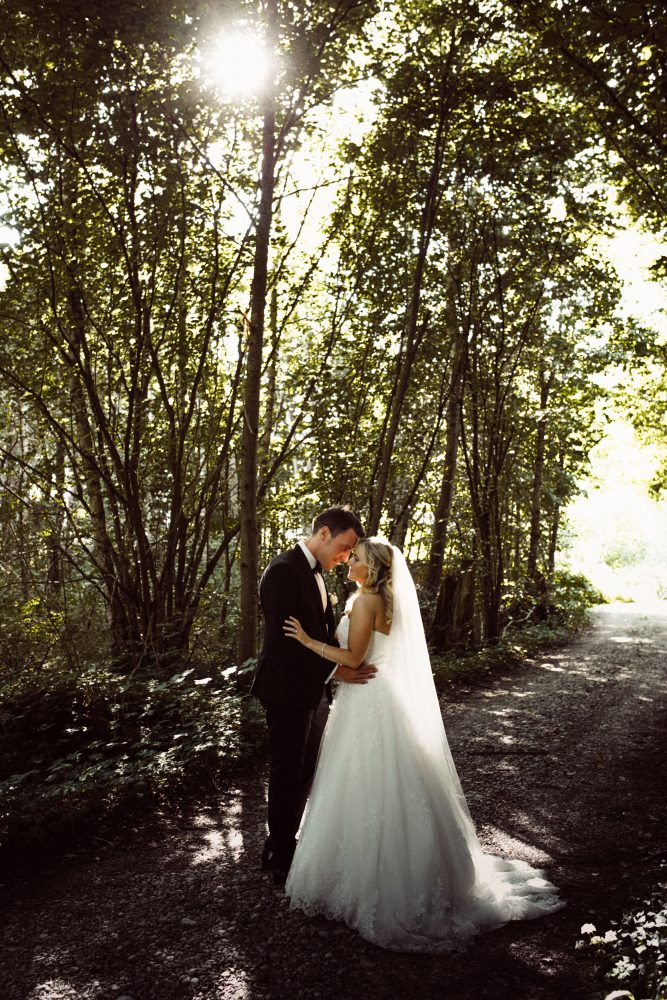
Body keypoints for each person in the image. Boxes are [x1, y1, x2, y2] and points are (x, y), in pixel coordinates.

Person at [282, 538, 564, 953]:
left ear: (372, 568)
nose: (349, 561)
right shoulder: (372, 598)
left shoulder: (364, 602)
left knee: (369, 785)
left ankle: (370, 886)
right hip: (376, 700)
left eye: (356, 558)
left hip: (366, 702)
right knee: (379, 784)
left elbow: (356, 658)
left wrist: (307, 641)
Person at [250, 506, 376, 886]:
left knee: (308, 768)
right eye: (344, 546)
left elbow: (319, 635)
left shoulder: (317, 573)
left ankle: (288, 841)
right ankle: (280, 857)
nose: (345, 556)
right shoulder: (283, 571)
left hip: (314, 689)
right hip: (287, 688)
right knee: (287, 770)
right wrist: (340, 670)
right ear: (324, 533)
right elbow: (285, 644)